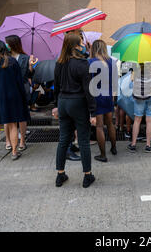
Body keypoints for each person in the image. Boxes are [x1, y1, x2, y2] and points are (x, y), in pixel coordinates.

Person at [52, 32, 96, 188]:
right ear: (77, 45)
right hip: (78, 103)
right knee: (83, 140)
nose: (83, 44)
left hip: (63, 102)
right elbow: (88, 90)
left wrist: (56, 106)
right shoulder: (83, 64)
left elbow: (55, 88)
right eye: (81, 42)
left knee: (63, 139)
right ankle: (87, 175)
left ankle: (60, 174)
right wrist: (93, 112)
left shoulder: (59, 63)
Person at [0, 40, 30, 161]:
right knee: (13, 125)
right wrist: (22, 99)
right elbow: (19, 82)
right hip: (12, 97)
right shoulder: (13, 61)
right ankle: (14, 152)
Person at [4, 35, 37, 151]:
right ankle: (8, 140)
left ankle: (22, 140)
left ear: (12, 44)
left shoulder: (25, 57)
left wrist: (31, 66)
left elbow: (29, 75)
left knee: (22, 116)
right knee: (7, 116)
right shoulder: (3, 58)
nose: (5, 45)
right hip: (7, 89)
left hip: (22, 88)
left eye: (7, 43)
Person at [88, 40, 118, 162]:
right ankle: (114, 148)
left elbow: (88, 82)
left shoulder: (89, 62)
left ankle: (103, 155)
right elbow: (115, 81)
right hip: (109, 96)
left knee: (99, 127)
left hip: (96, 97)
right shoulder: (111, 62)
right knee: (110, 124)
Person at [128, 63, 151, 153]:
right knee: (149, 120)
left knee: (137, 119)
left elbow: (131, 81)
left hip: (139, 94)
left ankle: (133, 144)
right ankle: (148, 145)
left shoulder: (135, 65)